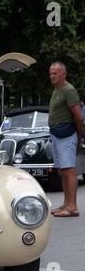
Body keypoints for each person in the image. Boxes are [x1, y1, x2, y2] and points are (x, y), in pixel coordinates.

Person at [48, 61, 84, 217]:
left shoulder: (69, 90)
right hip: (56, 135)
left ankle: (73, 207)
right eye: (50, 73)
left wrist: (79, 135)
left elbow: (79, 117)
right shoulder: (57, 90)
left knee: (69, 170)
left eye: (55, 73)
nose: (52, 76)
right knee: (62, 171)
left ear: (64, 74)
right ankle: (65, 204)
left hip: (67, 135)